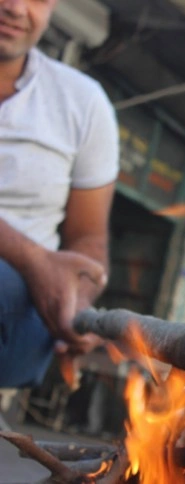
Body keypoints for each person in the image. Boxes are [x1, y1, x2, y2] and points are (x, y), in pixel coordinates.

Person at [0, 0, 119, 388]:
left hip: (18, 317)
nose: (16, 8)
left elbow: (87, 239)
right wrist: (35, 261)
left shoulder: (82, 102)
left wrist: (76, 299)